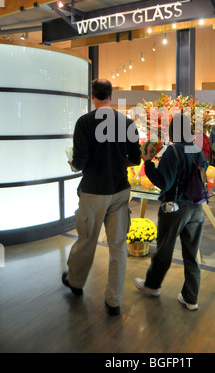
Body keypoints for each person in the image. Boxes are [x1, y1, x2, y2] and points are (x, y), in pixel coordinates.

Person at [62, 79, 141, 315]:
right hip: (120, 190)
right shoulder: (127, 123)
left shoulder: (84, 122)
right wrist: (117, 163)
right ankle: (114, 301)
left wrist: (74, 165)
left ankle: (76, 282)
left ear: (92, 95)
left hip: (93, 191)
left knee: (86, 239)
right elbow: (135, 159)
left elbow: (80, 161)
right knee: (118, 246)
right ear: (112, 95)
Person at [134, 113, 206, 311]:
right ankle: (191, 298)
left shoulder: (173, 152)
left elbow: (164, 182)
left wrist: (148, 163)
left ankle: (152, 286)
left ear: (174, 130)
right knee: (191, 256)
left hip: (174, 209)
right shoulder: (197, 150)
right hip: (197, 209)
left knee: (164, 250)